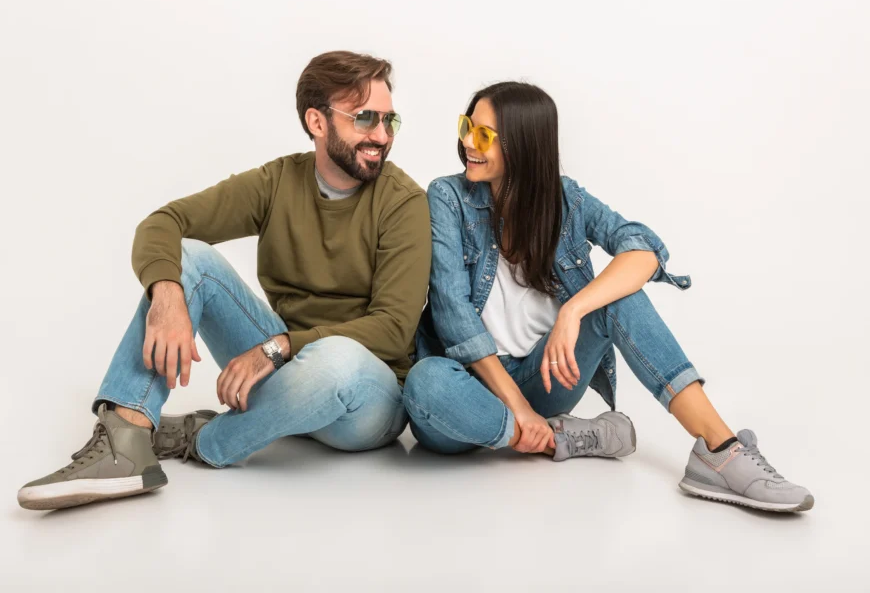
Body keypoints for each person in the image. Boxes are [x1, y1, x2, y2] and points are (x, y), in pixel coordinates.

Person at [18, 51, 431, 511]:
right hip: (284, 372)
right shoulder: (278, 182)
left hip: (366, 399)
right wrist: (167, 293)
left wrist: (281, 347)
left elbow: (393, 329)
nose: (381, 135)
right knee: (188, 258)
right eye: (366, 118)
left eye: (390, 120)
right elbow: (164, 223)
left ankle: (206, 439)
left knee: (336, 361)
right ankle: (126, 441)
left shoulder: (404, 203)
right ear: (317, 121)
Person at [404, 81, 813, 513]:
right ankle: (556, 437)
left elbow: (643, 249)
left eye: (485, 135)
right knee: (425, 382)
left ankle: (720, 449)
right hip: (464, 390)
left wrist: (574, 311)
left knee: (618, 297)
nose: (468, 142)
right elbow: (453, 316)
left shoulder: (567, 199)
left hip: (543, 377)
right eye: (468, 126)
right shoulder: (448, 197)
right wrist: (519, 409)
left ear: (523, 145)